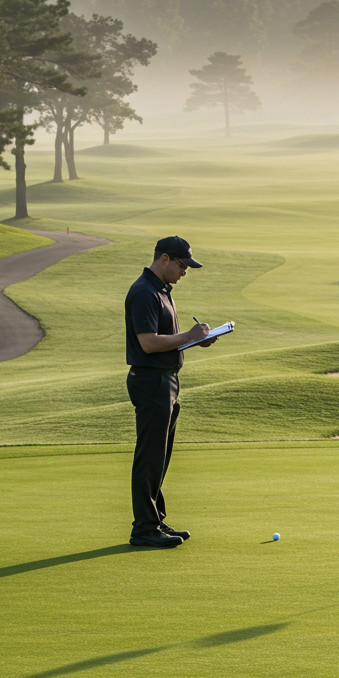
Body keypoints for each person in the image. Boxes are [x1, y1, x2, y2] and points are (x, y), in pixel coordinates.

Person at [124, 235, 216, 548]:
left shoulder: (162, 291)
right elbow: (148, 343)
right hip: (151, 381)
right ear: (164, 258)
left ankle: (156, 521)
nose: (185, 271)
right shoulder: (144, 292)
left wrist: (193, 340)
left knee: (160, 457)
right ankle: (144, 530)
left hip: (166, 381)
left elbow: (165, 340)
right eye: (182, 264)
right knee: (150, 457)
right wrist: (187, 335)